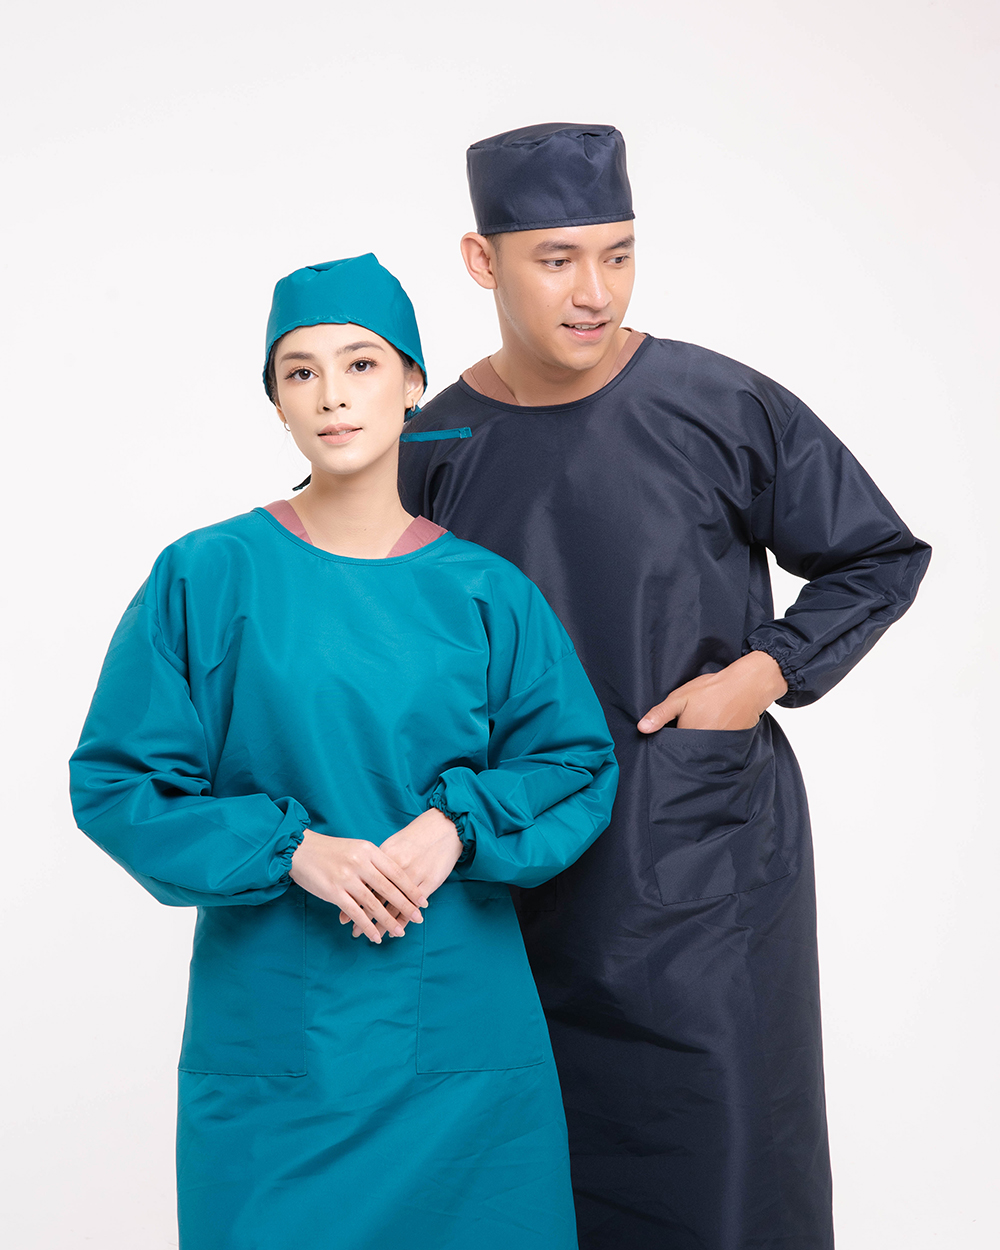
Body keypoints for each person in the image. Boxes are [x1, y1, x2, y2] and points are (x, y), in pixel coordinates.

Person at [397, 123, 932, 1250]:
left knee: (725, 1168)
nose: (594, 292)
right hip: (510, 877)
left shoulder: (717, 405)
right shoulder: (430, 446)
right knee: (522, 1177)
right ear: (482, 261)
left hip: (701, 867)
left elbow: (876, 554)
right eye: (556, 259)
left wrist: (759, 674)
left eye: (619, 254)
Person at [69, 252, 619, 1250]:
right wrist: (291, 849)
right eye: (301, 371)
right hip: (280, 1043)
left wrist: (456, 827)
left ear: (413, 383)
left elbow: (573, 766)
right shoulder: (207, 575)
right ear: (277, 401)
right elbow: (122, 783)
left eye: (361, 364)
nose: (332, 395)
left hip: (460, 1044)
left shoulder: (487, 593)